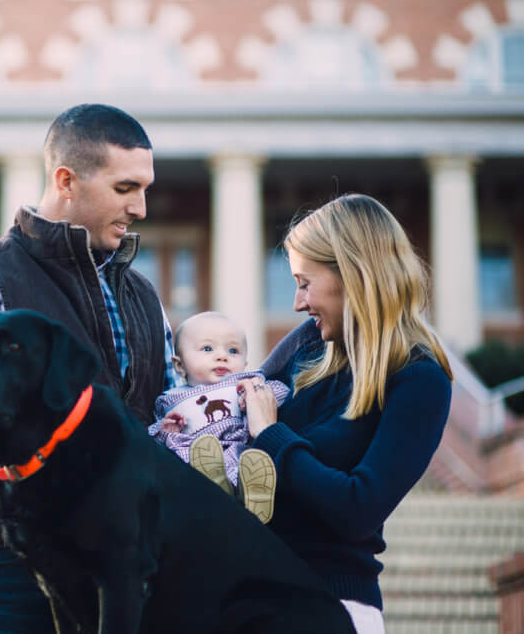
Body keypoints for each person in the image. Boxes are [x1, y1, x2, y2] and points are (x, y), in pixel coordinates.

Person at [0, 103, 184, 633]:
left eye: (145, 188)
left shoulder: (144, 297)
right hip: (11, 569)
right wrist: (1, 477)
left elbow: (168, 421)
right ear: (66, 180)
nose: (140, 207)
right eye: (124, 188)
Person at [239, 193, 453, 634]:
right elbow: (240, 408)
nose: (298, 302)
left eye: (304, 282)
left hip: (330, 607)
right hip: (252, 597)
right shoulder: (309, 346)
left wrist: (272, 436)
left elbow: (360, 509)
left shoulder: (419, 379)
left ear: (352, 275)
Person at [148, 311, 287, 523]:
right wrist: (167, 429)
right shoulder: (170, 399)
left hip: (235, 446)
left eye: (233, 350)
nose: (222, 356)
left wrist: (254, 396)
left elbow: (279, 392)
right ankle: (216, 484)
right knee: (187, 455)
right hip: (194, 453)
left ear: (245, 362)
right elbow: (153, 435)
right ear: (179, 365)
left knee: (249, 460)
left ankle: (253, 493)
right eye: (207, 348)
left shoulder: (243, 382)